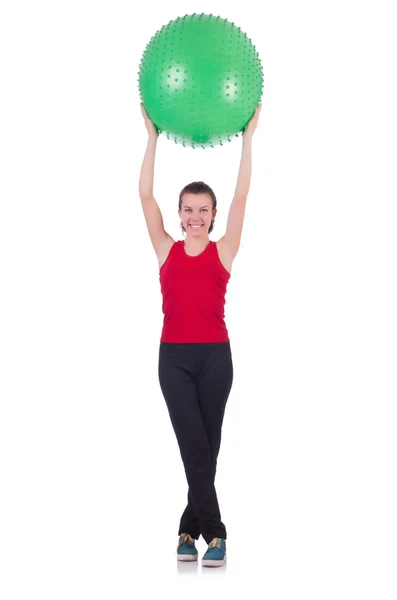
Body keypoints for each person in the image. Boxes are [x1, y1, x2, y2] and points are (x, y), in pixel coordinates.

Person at [139, 103, 261, 567]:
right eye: (187, 209)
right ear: (180, 213)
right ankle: (216, 532)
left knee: (206, 449)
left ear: (211, 216)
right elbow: (145, 197)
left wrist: (248, 139)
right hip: (173, 359)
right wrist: (152, 139)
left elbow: (242, 198)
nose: (194, 216)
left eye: (202, 210)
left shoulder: (223, 251)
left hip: (215, 359)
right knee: (195, 446)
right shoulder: (165, 248)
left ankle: (187, 533)